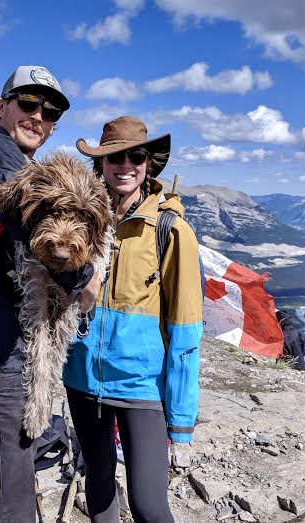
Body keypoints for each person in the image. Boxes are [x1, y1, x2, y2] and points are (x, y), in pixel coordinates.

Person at [0, 65, 99, 523]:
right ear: (2, 105)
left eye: (49, 113)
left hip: (6, 349)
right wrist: (84, 280)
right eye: (28, 104)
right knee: (12, 502)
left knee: (17, 481)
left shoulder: (13, 159)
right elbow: (34, 224)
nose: (38, 117)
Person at [62, 116, 204, 522]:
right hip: (81, 379)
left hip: (143, 387)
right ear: (100, 165)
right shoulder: (80, 222)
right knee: (100, 484)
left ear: (148, 163)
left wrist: (180, 422)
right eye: (114, 157)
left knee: (148, 504)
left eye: (135, 156)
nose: (125, 165)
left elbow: (186, 330)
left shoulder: (171, 230)